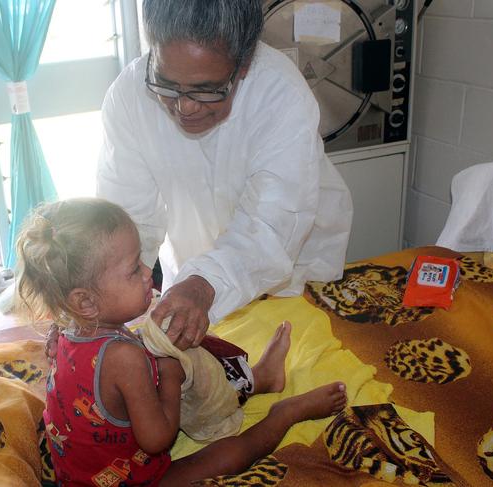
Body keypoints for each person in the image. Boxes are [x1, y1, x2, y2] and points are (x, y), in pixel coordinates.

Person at [16, 197, 347, 486]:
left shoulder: (64, 328)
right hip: (132, 479)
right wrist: (169, 373)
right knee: (229, 456)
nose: (149, 272)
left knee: (199, 370)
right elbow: (158, 438)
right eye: (134, 269)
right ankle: (285, 413)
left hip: (77, 473)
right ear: (86, 302)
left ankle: (259, 379)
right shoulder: (123, 359)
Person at [96, 0, 354, 351]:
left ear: (243, 65)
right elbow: (128, 218)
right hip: (191, 279)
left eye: (206, 89)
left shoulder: (281, 96)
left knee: (290, 372)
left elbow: (270, 229)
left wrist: (205, 285)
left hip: (288, 274)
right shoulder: (130, 95)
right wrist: (99, 297)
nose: (184, 107)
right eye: (167, 84)